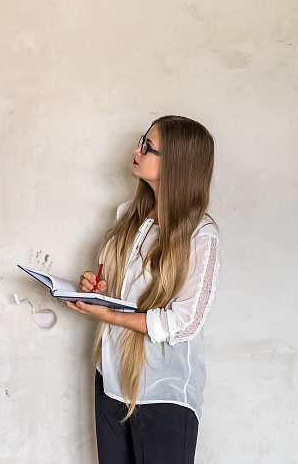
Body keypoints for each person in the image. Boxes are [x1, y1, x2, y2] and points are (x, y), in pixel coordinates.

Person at [66, 115, 221, 464]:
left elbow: (185, 323)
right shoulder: (128, 216)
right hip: (110, 379)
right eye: (142, 140)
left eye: (149, 147)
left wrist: (108, 314)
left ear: (178, 164)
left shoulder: (201, 236)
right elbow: (122, 293)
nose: (137, 150)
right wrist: (97, 289)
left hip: (162, 393)